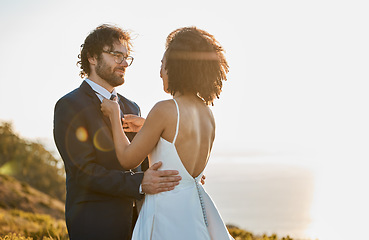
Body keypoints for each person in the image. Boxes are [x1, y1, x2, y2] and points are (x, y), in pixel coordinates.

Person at [101, 26, 234, 240]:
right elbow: (181, 140)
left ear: (177, 67)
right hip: (194, 210)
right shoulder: (206, 113)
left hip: (166, 212)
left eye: (163, 65)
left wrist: (114, 116)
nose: (160, 72)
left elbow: (127, 159)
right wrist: (147, 125)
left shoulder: (164, 109)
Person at [53, 24, 182, 240]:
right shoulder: (69, 105)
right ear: (93, 57)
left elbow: (143, 161)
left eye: (126, 57)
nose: (124, 63)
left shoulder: (132, 107)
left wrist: (178, 171)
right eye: (116, 55)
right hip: (93, 223)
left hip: (137, 223)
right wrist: (139, 183)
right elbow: (83, 172)